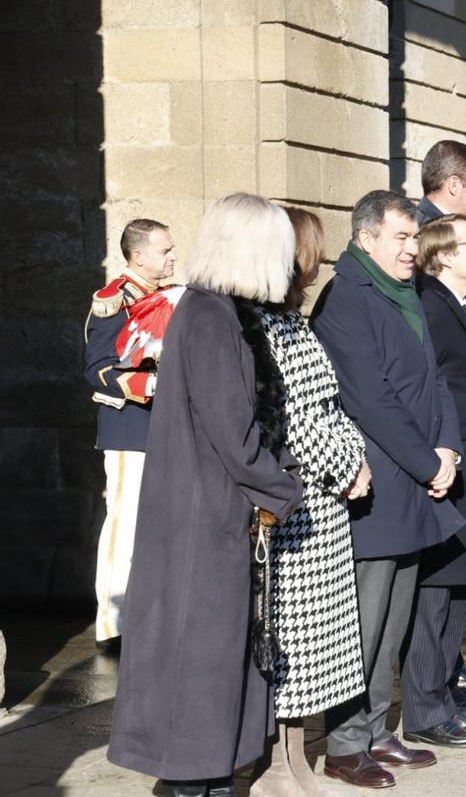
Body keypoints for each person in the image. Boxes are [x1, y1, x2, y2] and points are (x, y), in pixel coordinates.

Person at [107, 194, 305, 797]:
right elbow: (233, 433)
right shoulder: (213, 317)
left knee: (213, 671)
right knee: (201, 667)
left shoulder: (212, 311)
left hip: (207, 512)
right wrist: (287, 489)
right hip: (204, 519)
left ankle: (207, 779)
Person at [312, 190, 464, 788]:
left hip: (418, 478)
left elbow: (435, 379)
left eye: (414, 238)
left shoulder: (407, 292)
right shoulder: (346, 298)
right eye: (401, 238)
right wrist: (429, 462)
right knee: (365, 622)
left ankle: (377, 729)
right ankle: (346, 743)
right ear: (366, 237)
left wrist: (447, 448)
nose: (411, 249)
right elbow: (370, 399)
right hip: (379, 483)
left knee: (395, 616)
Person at [242, 207, 376, 795]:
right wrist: (348, 465)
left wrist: (353, 456)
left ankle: (296, 756)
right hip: (298, 506)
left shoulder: (295, 324)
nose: (318, 265)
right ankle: (274, 765)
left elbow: (330, 408)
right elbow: (291, 421)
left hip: (325, 509)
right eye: (312, 253)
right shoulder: (263, 329)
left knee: (316, 654)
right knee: (291, 645)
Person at [404, 214, 466, 751]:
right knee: (439, 588)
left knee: (462, 585)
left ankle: (443, 692)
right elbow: (431, 387)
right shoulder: (431, 304)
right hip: (452, 461)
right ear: (443, 255)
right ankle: (423, 706)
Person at [83, 218, 176, 652]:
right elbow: (97, 367)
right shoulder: (112, 301)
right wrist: (148, 385)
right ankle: (112, 622)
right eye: (164, 250)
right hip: (130, 425)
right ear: (138, 256)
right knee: (124, 525)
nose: (172, 257)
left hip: (166, 425)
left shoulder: (167, 298)